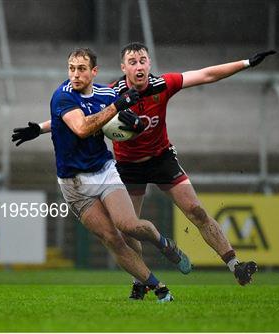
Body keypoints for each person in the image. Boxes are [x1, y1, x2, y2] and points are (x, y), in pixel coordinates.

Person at [12, 43, 276, 299]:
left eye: (142, 61)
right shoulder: (113, 92)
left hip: (161, 159)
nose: (138, 67)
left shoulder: (162, 84)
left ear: (149, 64)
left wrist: (246, 63)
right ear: (123, 67)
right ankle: (141, 281)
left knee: (196, 210)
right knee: (129, 230)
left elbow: (205, 74)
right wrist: (40, 128)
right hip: (126, 167)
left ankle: (234, 265)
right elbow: (76, 117)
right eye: (132, 62)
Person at [15, 47, 193, 302]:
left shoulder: (107, 94)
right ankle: (158, 288)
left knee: (128, 226)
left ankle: (163, 243)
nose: (75, 75)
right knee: (113, 239)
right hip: (74, 184)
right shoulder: (62, 96)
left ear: (94, 72)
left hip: (104, 171)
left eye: (81, 69)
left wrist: (135, 123)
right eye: (71, 69)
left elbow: (125, 120)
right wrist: (116, 107)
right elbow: (81, 127)